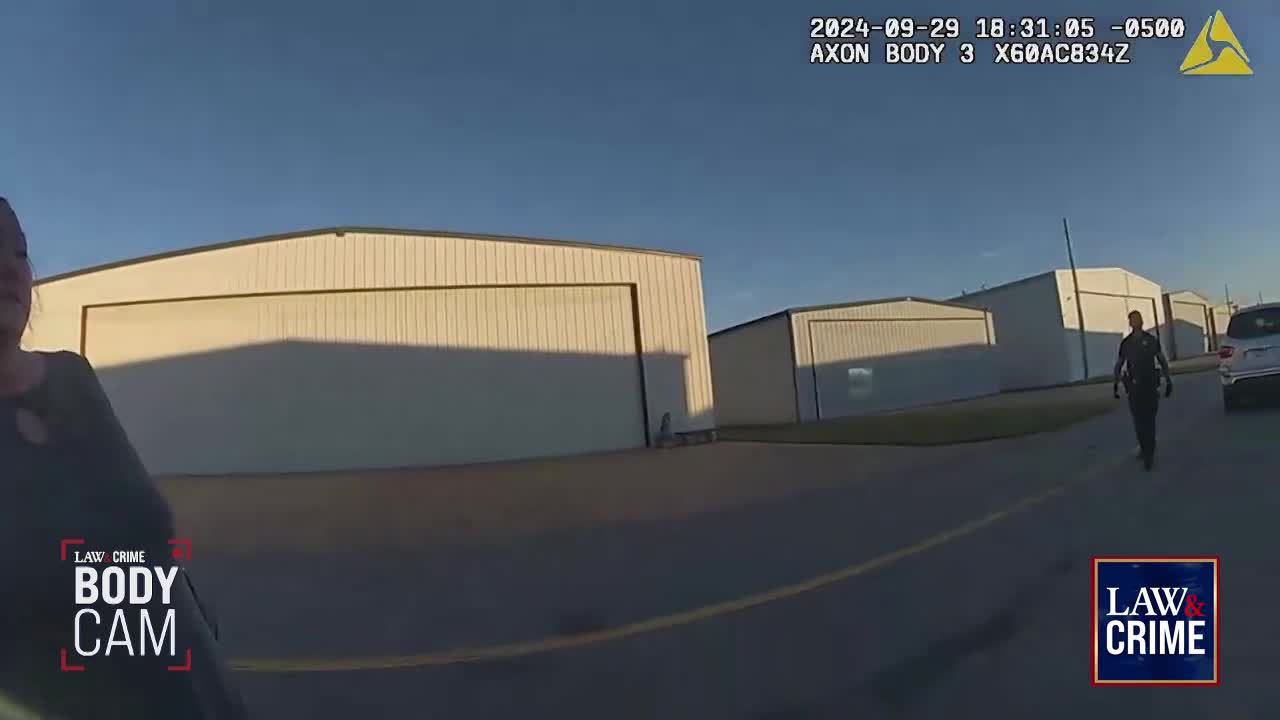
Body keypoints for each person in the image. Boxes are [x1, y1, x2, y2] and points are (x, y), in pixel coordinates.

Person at [0, 197, 247, 718]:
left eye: (19, 252)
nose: (9, 268)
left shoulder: (73, 377)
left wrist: (192, 613)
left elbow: (135, 531)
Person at [1113, 310, 1173, 470]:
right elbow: (1119, 364)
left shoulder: (1151, 340)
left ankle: (1149, 451)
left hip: (1150, 385)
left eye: (1136, 319)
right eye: (1133, 319)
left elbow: (1161, 360)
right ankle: (1146, 450)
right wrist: (1115, 384)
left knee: (1148, 420)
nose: (1135, 322)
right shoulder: (1127, 343)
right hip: (1134, 387)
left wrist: (1168, 380)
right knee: (1140, 421)